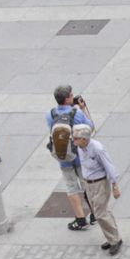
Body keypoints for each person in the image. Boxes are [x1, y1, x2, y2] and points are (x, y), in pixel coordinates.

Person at [48, 84, 94, 231]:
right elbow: (90, 127)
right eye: (71, 95)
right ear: (67, 99)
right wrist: (82, 109)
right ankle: (94, 213)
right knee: (86, 183)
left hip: (63, 156)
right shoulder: (77, 113)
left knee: (71, 186)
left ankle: (80, 219)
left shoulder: (50, 114)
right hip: (79, 155)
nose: (73, 96)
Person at [72, 124, 122, 256]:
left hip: (100, 184)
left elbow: (109, 166)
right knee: (100, 211)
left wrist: (115, 186)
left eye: (76, 138)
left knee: (100, 214)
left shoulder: (97, 149)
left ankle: (115, 240)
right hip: (89, 184)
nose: (73, 140)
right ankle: (112, 237)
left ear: (84, 139)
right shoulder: (80, 147)